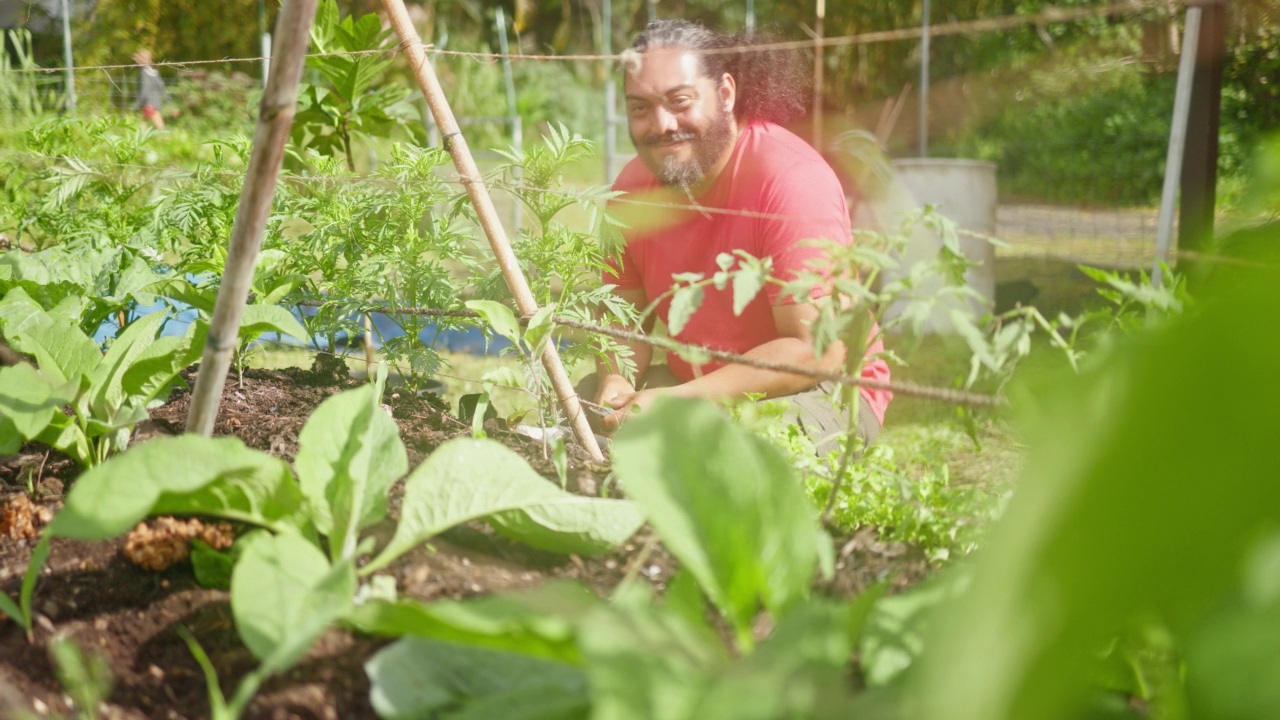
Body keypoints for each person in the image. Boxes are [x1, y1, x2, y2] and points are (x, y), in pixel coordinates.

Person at [584, 19, 892, 449]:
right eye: (640, 108)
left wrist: (679, 403)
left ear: (726, 94)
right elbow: (621, 317)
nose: (662, 124)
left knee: (731, 457)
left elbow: (817, 351)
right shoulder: (630, 192)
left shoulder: (788, 180)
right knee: (573, 409)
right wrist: (615, 378)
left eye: (680, 101)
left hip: (822, 390)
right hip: (697, 380)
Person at [132, 49, 167, 131]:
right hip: (156, 101)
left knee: (158, 125)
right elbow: (161, 87)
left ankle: (166, 139)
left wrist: (139, 102)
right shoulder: (155, 72)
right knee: (142, 121)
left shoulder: (143, 73)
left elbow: (145, 88)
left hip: (148, 102)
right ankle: (141, 138)